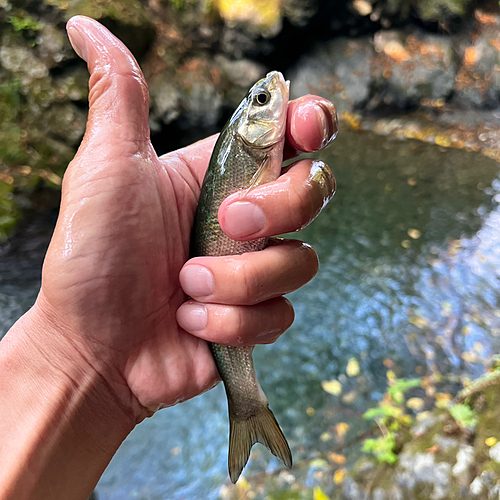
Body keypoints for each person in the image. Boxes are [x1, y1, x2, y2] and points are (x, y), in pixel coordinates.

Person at [0, 16, 337, 500]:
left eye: (262, 99)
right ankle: (248, 406)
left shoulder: (252, 145)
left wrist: (81, 364)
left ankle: (247, 404)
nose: (272, 98)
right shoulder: (246, 145)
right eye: (262, 102)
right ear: (252, 124)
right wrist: (77, 354)